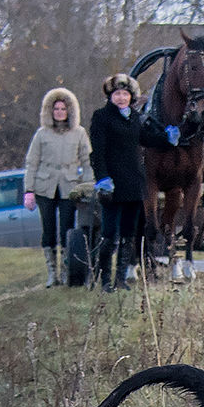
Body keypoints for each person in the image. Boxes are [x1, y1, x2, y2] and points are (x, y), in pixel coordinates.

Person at [24, 87, 92, 287]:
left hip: (69, 188)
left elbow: (87, 161)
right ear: (50, 111)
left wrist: (88, 186)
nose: (60, 112)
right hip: (45, 187)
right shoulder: (41, 134)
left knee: (67, 231)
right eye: (56, 109)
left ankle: (66, 271)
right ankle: (52, 273)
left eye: (63, 109)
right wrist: (29, 189)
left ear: (69, 111)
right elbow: (32, 163)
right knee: (48, 231)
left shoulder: (79, 133)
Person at [89, 72, 145, 292]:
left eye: (125, 94)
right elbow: (98, 153)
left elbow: (147, 138)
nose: (122, 98)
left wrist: (170, 136)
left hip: (133, 183)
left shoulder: (135, 117)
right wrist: (102, 177)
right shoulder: (102, 117)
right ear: (110, 96)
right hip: (111, 185)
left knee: (128, 234)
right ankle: (104, 280)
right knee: (109, 234)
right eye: (117, 94)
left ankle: (120, 279)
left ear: (131, 96)